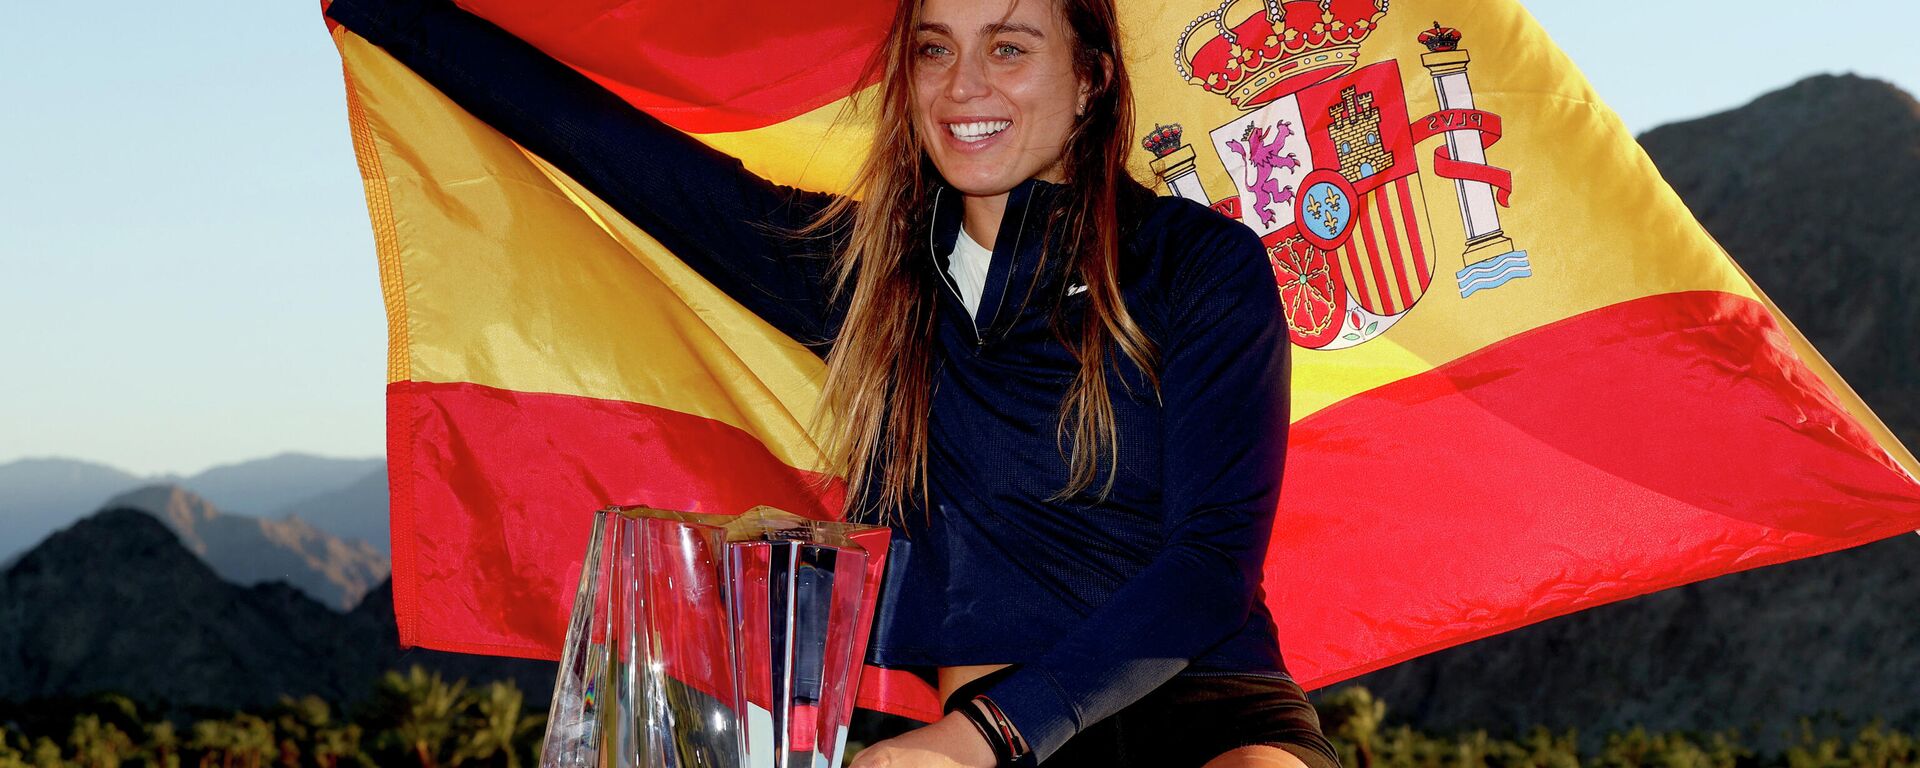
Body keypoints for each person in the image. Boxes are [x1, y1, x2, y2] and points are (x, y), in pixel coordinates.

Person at [322, 0, 1342, 765]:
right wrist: (380, 9)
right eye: (934, 47)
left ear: (1092, 81)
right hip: (961, 721)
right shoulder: (862, 276)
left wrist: (975, 741)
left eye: (1010, 46)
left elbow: (1211, 564)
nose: (962, 83)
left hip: (1203, 708)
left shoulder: (1198, 266)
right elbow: (605, 146)